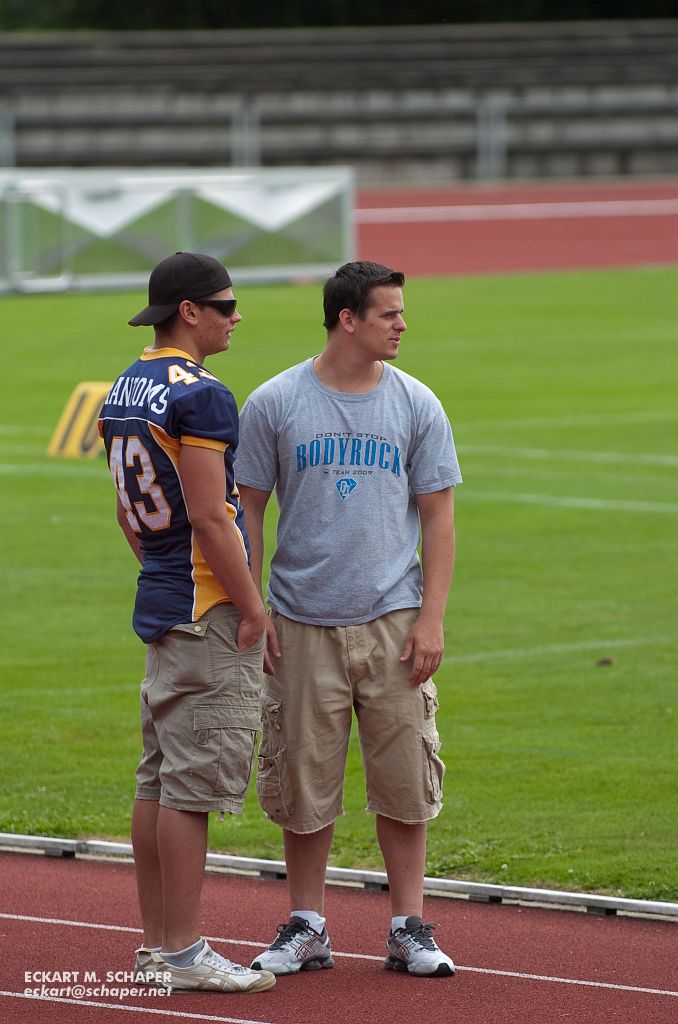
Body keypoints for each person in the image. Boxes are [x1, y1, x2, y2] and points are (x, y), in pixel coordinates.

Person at [235, 260, 462, 979]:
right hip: (300, 623)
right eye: (389, 313)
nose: (402, 325)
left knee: (406, 779)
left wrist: (431, 619)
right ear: (347, 319)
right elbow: (247, 509)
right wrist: (255, 607)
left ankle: (408, 927)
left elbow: (439, 516)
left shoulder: (417, 403)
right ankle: (307, 924)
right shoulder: (274, 402)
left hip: (394, 621)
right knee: (302, 782)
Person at [98, 252, 275, 994]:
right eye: (226, 305)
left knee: (158, 780)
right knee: (191, 788)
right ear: (190, 312)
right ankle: (182, 952)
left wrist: (164, 570)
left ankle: (156, 947)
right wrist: (253, 606)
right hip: (207, 607)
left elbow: (126, 514)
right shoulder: (202, 394)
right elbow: (210, 514)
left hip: (163, 597)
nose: (237, 317)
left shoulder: (122, 386)